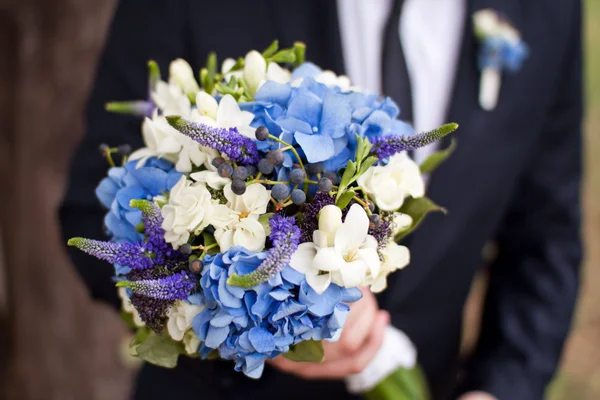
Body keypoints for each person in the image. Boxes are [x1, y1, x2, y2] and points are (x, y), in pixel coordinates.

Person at [60, 0, 583, 399]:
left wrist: (499, 388)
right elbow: (95, 206)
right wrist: (258, 325)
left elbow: (545, 240)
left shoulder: (546, 12)